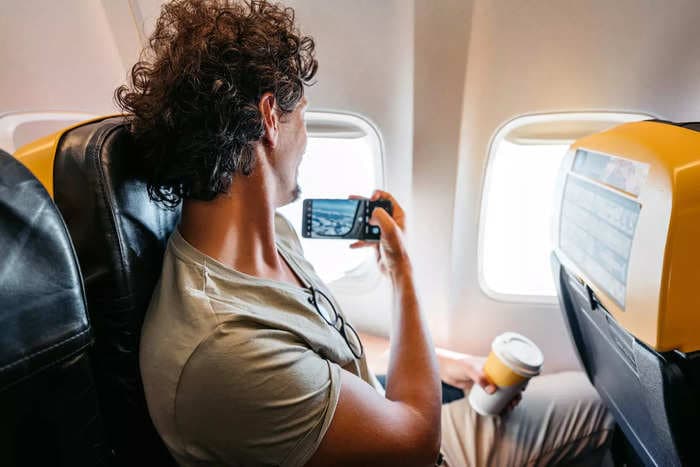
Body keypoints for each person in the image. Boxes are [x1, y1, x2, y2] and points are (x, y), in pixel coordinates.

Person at [119, 0, 615, 465]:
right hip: (414, 441)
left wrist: (444, 362)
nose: (306, 141)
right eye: (304, 116)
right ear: (271, 118)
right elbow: (419, 443)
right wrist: (402, 272)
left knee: (588, 394)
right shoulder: (222, 349)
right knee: (605, 412)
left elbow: (327, 353)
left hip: (377, 419)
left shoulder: (273, 234)